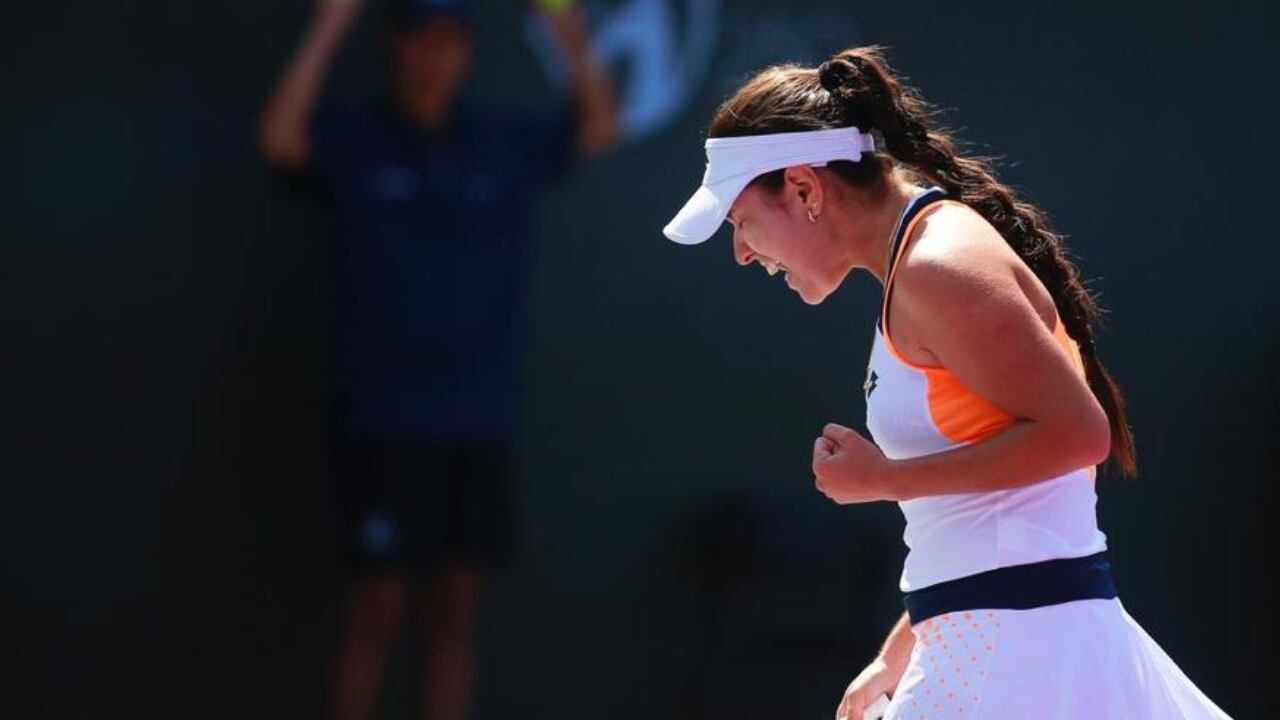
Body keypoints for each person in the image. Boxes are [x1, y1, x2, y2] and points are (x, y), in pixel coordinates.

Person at [663, 45, 1231, 720]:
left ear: (806, 189)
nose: (742, 251)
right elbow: (987, 518)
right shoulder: (921, 265)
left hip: (1016, 650)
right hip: (1002, 639)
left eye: (741, 222)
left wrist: (883, 481)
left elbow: (1079, 435)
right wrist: (901, 649)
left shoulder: (938, 265)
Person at [256, 0, 618, 718]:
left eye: (451, 41)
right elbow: (280, 140)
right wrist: (331, 23)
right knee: (376, 610)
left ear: (467, 51)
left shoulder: (500, 142)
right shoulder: (357, 137)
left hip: (476, 421)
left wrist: (566, 29)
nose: (437, 56)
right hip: (380, 417)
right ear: (396, 47)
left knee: (454, 615)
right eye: (423, 39)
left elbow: (598, 127)